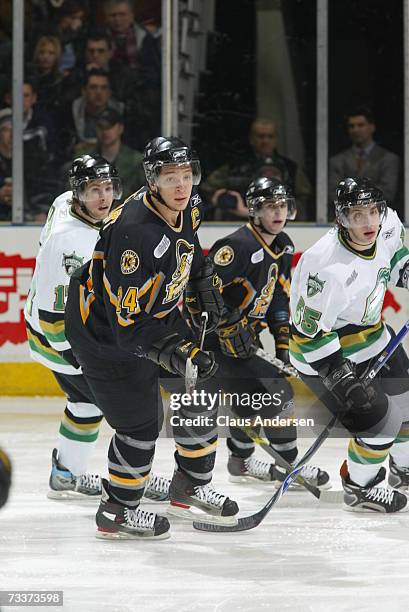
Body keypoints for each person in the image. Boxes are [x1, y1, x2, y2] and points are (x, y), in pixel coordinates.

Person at [64, 136, 239, 540]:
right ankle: (117, 510)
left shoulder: (188, 205)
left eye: (187, 175)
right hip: (104, 334)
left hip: (154, 317)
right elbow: (129, 328)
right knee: (141, 425)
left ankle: (189, 485)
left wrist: (201, 282)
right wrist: (180, 353)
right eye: (170, 177)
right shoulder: (133, 234)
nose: (182, 186)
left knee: (199, 391)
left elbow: (189, 247)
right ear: (152, 181)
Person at [24, 154, 170, 503]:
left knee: (86, 402)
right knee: (125, 407)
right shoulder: (70, 244)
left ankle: (66, 474)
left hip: (53, 328)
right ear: (78, 194)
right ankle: (131, 478)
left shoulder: (63, 202)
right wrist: (75, 356)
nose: (104, 198)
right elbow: (52, 314)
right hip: (55, 335)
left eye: (108, 188)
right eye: (94, 191)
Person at [290, 176, 409, 512]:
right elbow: (309, 334)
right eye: (357, 215)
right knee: (380, 421)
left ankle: (404, 467)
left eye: (372, 211)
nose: (368, 221)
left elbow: (398, 262)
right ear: (341, 218)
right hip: (325, 351)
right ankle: (361, 487)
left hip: (371, 335)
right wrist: (340, 378)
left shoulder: (386, 226)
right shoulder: (323, 265)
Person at [206, 177, 330, 488]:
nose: (278, 212)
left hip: (244, 341)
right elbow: (202, 295)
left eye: (283, 205)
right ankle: (291, 464)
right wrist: (228, 325)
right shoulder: (236, 247)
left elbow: (277, 297)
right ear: (254, 210)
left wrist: (282, 345)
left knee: (253, 396)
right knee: (277, 393)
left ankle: (241, 460)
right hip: (212, 344)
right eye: (270, 206)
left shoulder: (283, 244)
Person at [201, 118, 312, 221]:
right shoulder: (236, 166)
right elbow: (207, 188)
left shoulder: (290, 168)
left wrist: (285, 209)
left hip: (281, 225)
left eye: (270, 136)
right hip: (241, 222)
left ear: (276, 139)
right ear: (251, 139)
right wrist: (223, 198)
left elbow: (304, 198)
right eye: (261, 136)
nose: (265, 141)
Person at [329, 107, 400, 214]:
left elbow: (388, 192)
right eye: (351, 126)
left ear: (372, 127)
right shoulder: (337, 160)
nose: (355, 130)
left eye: (360, 125)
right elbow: (332, 193)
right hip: (346, 218)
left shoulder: (389, 159)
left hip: (380, 218)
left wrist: (353, 196)